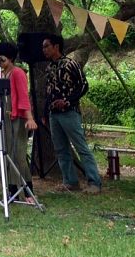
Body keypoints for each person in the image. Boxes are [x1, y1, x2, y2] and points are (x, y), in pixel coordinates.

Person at [42, 33, 102, 193]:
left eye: (46, 46)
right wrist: (44, 112)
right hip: (53, 114)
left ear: (56, 46)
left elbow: (83, 85)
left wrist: (68, 101)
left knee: (81, 146)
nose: (44, 50)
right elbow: (48, 92)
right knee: (61, 149)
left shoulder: (70, 64)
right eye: (43, 47)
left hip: (69, 112)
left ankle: (94, 182)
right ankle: (70, 181)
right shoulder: (49, 68)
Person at [0, 42, 37, 202]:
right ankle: (11, 190)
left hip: (16, 119)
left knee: (18, 155)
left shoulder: (17, 73)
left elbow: (23, 97)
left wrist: (29, 118)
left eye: (1, 59)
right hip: (1, 119)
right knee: (0, 153)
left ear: (10, 58)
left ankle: (28, 192)